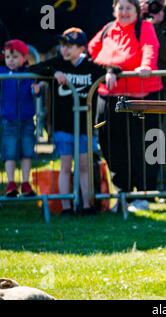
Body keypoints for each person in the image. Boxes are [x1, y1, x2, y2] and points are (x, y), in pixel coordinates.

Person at [29, 28, 119, 215]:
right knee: (65, 166)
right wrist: (53, 73)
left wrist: (110, 73)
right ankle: (66, 207)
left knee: (84, 166)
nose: (65, 50)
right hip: (62, 126)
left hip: (85, 127)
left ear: (81, 49)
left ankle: (86, 205)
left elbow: (113, 69)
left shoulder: (89, 66)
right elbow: (33, 69)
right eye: (63, 45)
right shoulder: (58, 64)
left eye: (70, 46)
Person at [88, 0, 163, 213]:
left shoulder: (144, 27)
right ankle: (123, 193)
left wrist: (146, 66)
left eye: (129, 8)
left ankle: (143, 194)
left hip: (142, 96)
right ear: (113, 10)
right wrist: (109, 69)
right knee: (111, 146)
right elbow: (91, 54)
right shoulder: (107, 29)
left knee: (142, 144)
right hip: (109, 97)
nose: (124, 12)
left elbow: (150, 48)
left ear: (137, 11)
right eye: (120, 7)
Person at [139, 0, 166, 201]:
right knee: (139, 140)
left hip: (164, 92)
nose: (151, 8)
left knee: (159, 140)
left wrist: (154, 26)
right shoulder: (136, 22)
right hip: (139, 91)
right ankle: (143, 187)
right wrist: (143, 22)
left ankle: (163, 187)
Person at [0, 39, 38, 197]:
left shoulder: (29, 74)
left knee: (27, 152)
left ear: (24, 57)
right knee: (9, 152)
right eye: (8, 57)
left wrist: (36, 90)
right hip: (8, 121)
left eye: (15, 57)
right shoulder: (2, 73)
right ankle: (10, 183)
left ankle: (25, 182)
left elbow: (36, 91)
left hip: (27, 121)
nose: (11, 60)